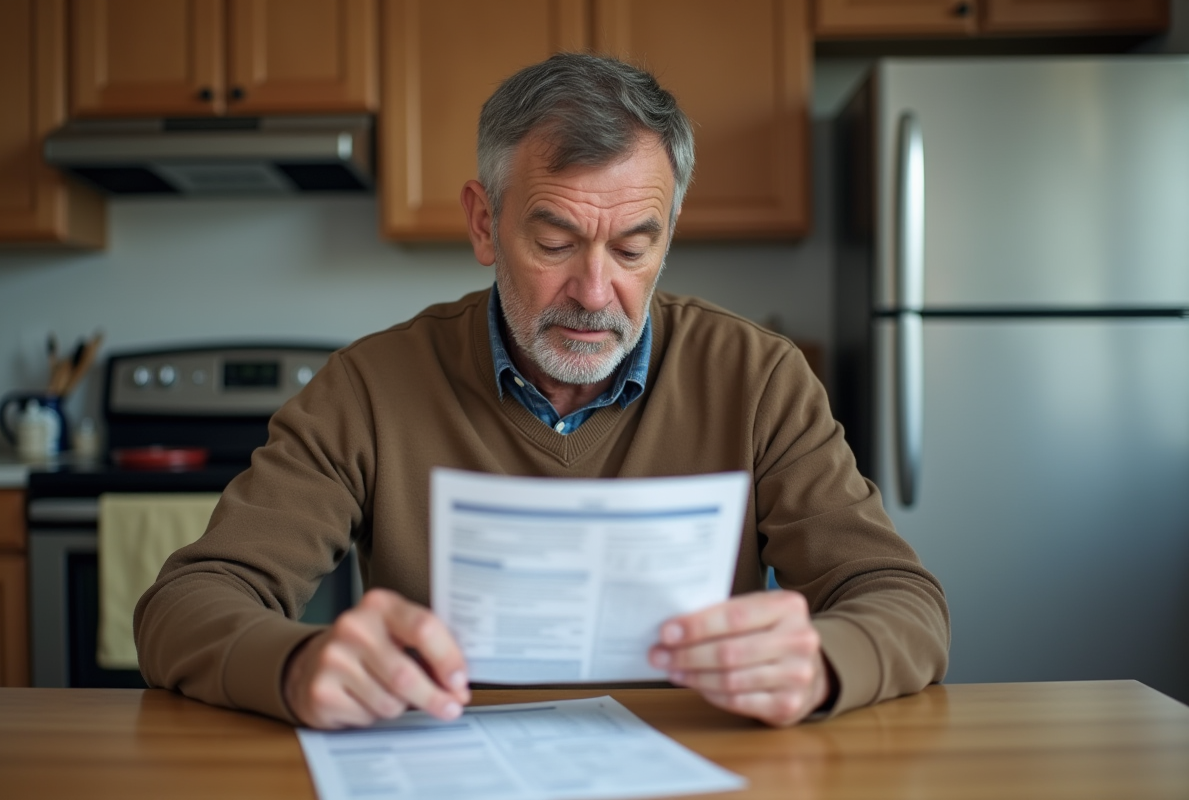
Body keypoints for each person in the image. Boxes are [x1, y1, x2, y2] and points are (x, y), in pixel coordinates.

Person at [135, 53, 949, 730]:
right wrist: (297, 663)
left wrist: (825, 664)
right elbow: (185, 605)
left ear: (669, 234)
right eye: (555, 241)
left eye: (634, 248)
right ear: (485, 224)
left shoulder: (759, 380)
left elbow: (900, 601)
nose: (595, 292)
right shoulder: (368, 389)